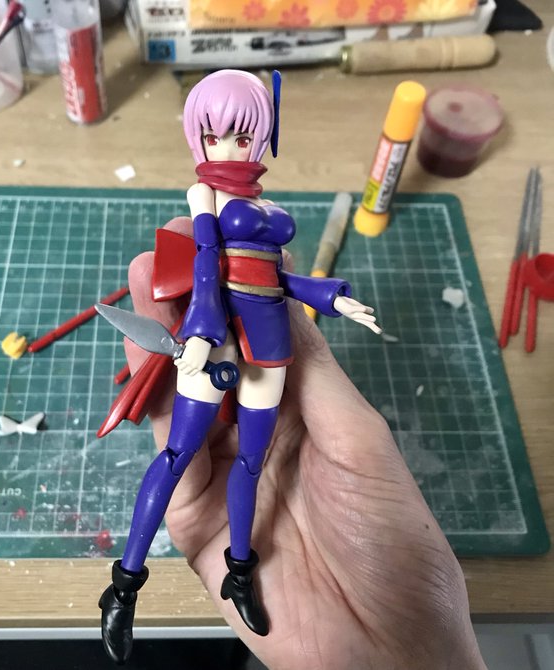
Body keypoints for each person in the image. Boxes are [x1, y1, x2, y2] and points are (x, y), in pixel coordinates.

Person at [98, 69, 486, 669]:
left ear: (262, 135)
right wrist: (202, 331)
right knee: (177, 456)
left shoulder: (265, 205)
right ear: (196, 138)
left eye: (240, 135)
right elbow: (207, 262)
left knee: (252, 462)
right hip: (216, 338)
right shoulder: (204, 196)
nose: (227, 148)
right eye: (212, 136)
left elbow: (276, 278)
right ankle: (124, 588)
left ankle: (240, 572)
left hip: (271, 339)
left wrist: (330, 297)